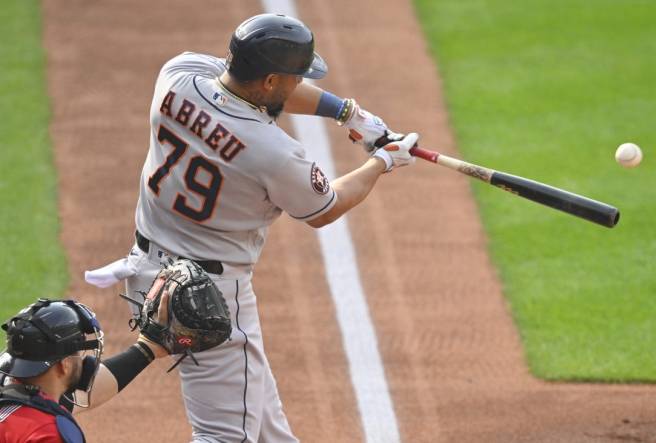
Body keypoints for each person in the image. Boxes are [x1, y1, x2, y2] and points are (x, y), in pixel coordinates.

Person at [89, 12, 419, 443]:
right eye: (294, 77)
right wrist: (383, 161)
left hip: (145, 275)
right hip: (207, 300)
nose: (298, 84)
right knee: (226, 436)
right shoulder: (273, 152)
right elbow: (325, 208)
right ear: (268, 82)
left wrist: (348, 113)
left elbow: (247, 91)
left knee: (264, 425)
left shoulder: (178, 75)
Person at [0, 296, 169, 443]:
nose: (83, 361)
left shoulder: (13, 397)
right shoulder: (46, 432)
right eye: (78, 354)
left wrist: (148, 348)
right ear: (64, 365)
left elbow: (79, 394)